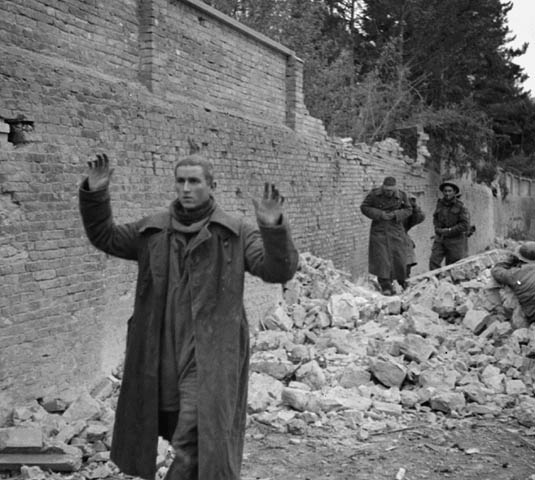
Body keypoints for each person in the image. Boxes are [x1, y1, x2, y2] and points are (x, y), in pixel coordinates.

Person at [78, 153, 299, 480]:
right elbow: (106, 237)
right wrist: (95, 195)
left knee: (194, 436)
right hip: (161, 354)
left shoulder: (235, 233)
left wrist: (272, 229)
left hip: (210, 357)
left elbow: (277, 269)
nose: (186, 188)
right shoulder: (152, 229)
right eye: (180, 181)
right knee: (175, 429)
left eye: (194, 181)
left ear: (212, 185)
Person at [360, 176, 413, 295]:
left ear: (395, 188)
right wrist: (379, 214)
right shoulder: (374, 195)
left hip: (396, 229)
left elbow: (409, 210)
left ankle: (401, 281)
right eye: (386, 190)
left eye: (391, 190)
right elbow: (364, 207)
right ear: (383, 187)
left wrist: (395, 214)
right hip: (379, 229)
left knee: (399, 256)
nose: (388, 192)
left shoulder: (402, 195)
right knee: (381, 258)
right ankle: (386, 286)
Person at [429, 181, 470, 270]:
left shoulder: (461, 206)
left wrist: (449, 231)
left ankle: (448, 283)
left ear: (454, 192)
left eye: (450, 191)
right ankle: (436, 282)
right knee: (433, 262)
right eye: (445, 191)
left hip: (455, 241)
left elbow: (464, 225)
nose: (447, 193)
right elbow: (435, 217)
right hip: (440, 239)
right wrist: (437, 228)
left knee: (452, 266)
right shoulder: (439, 204)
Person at [491, 242, 535, 323]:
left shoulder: (515, 274)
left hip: (532, 315)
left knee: (508, 287)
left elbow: (496, 270)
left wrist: (510, 259)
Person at [403, 196, 426, 277]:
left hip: (403, 244)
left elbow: (419, 217)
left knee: (405, 271)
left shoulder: (404, 215)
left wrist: (414, 207)